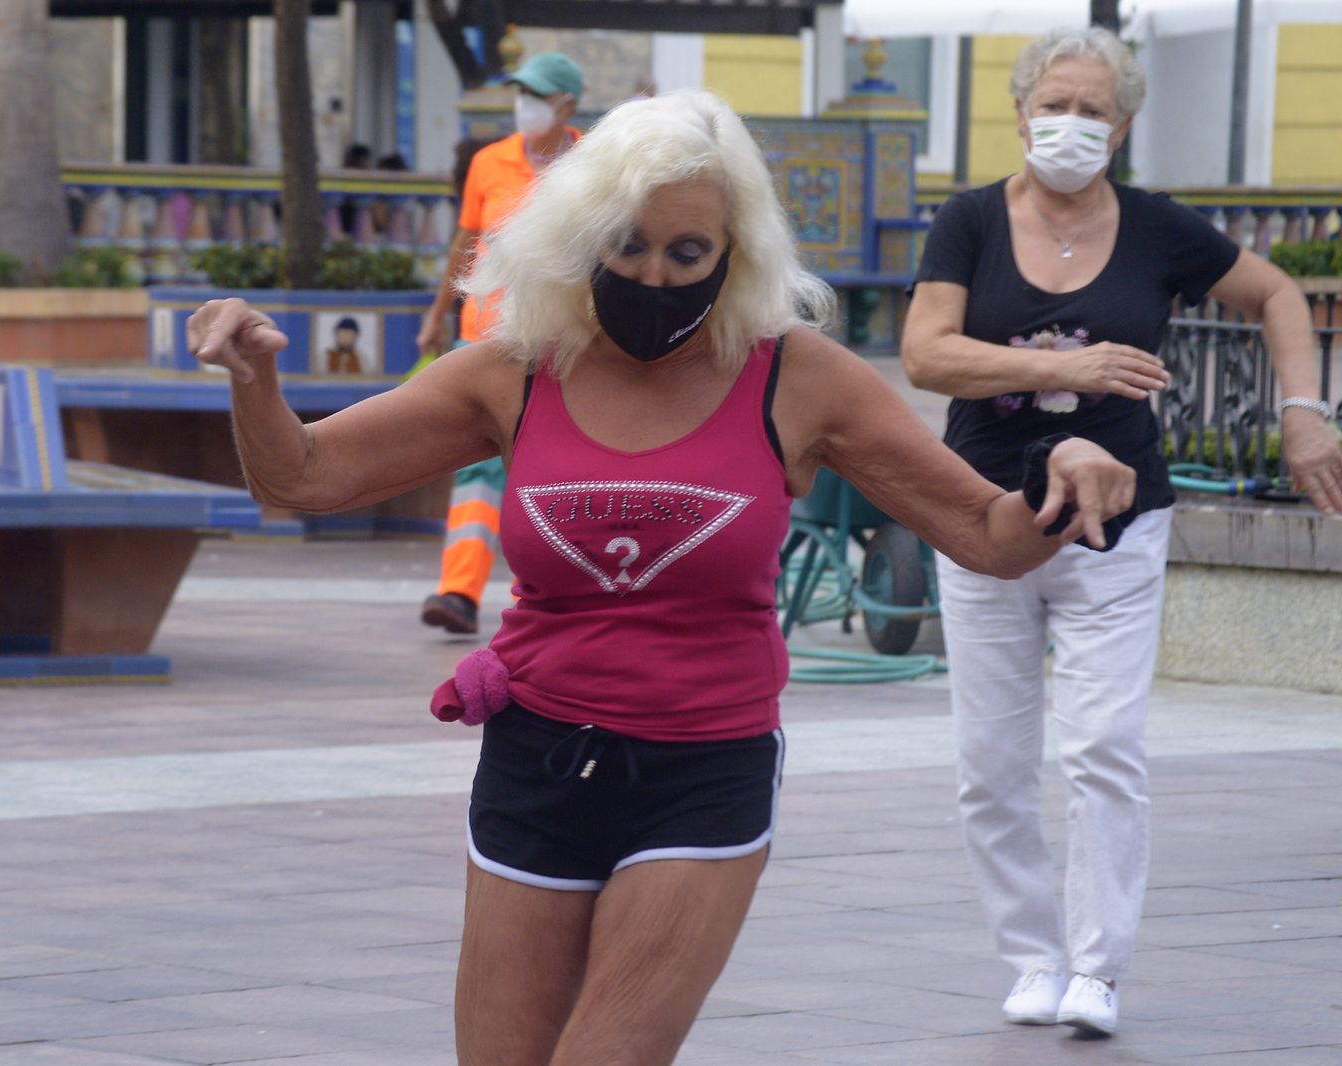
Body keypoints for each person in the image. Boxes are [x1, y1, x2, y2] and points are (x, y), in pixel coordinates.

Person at [188, 88, 1138, 1066]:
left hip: (702, 772)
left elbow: (985, 534)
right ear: (579, 237)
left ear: (735, 256)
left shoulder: (796, 377)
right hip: (535, 760)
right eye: (627, 244)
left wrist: (1059, 478)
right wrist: (255, 380)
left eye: (687, 253)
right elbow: (301, 477)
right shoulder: (515, 369)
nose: (653, 272)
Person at [902, 27, 1342, 1038]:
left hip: (1121, 519)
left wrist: (1300, 410)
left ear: (1124, 125)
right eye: (1053, 104)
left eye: (1093, 109)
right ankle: (1028, 956)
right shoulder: (969, 220)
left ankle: (1096, 970)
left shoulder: (1157, 228)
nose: (1070, 124)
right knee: (992, 758)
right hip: (983, 509)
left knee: (1103, 743)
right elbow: (926, 355)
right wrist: (1068, 367)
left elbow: (1274, 291)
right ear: (1019, 113)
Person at [415, 52, 583, 635]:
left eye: (537, 95)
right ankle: (458, 593)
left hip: (555, 344)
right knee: (477, 473)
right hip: (481, 341)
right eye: (522, 93)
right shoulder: (490, 163)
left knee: (546, 473)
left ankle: (536, 598)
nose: (525, 105)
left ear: (567, 104)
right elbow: (465, 247)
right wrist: (437, 316)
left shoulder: (592, 167)